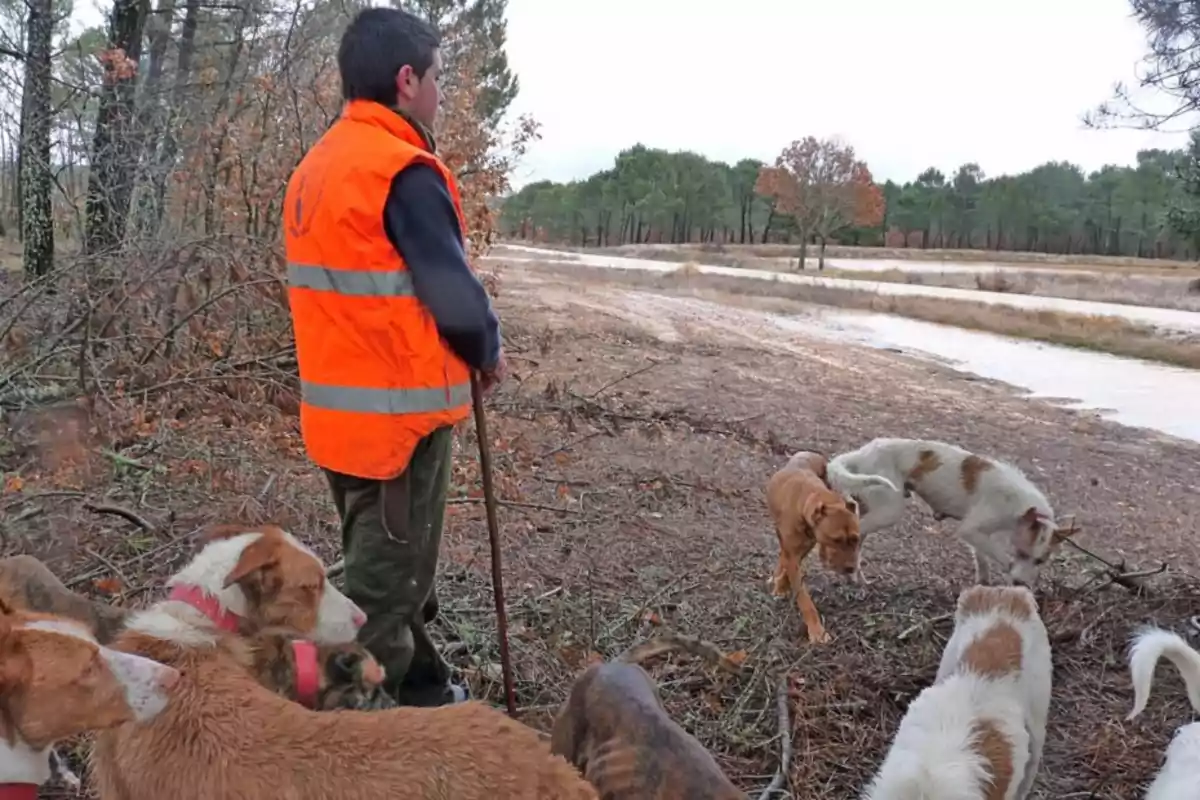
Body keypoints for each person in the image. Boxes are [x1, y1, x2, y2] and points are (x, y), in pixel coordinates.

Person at [282, 6, 507, 707]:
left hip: (339, 423)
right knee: (382, 591)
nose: (441, 92)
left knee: (392, 566)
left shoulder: (316, 169)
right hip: (396, 432)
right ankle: (332, 729)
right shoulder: (400, 170)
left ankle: (423, 687)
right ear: (407, 79)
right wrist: (487, 350)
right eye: (438, 77)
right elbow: (452, 291)